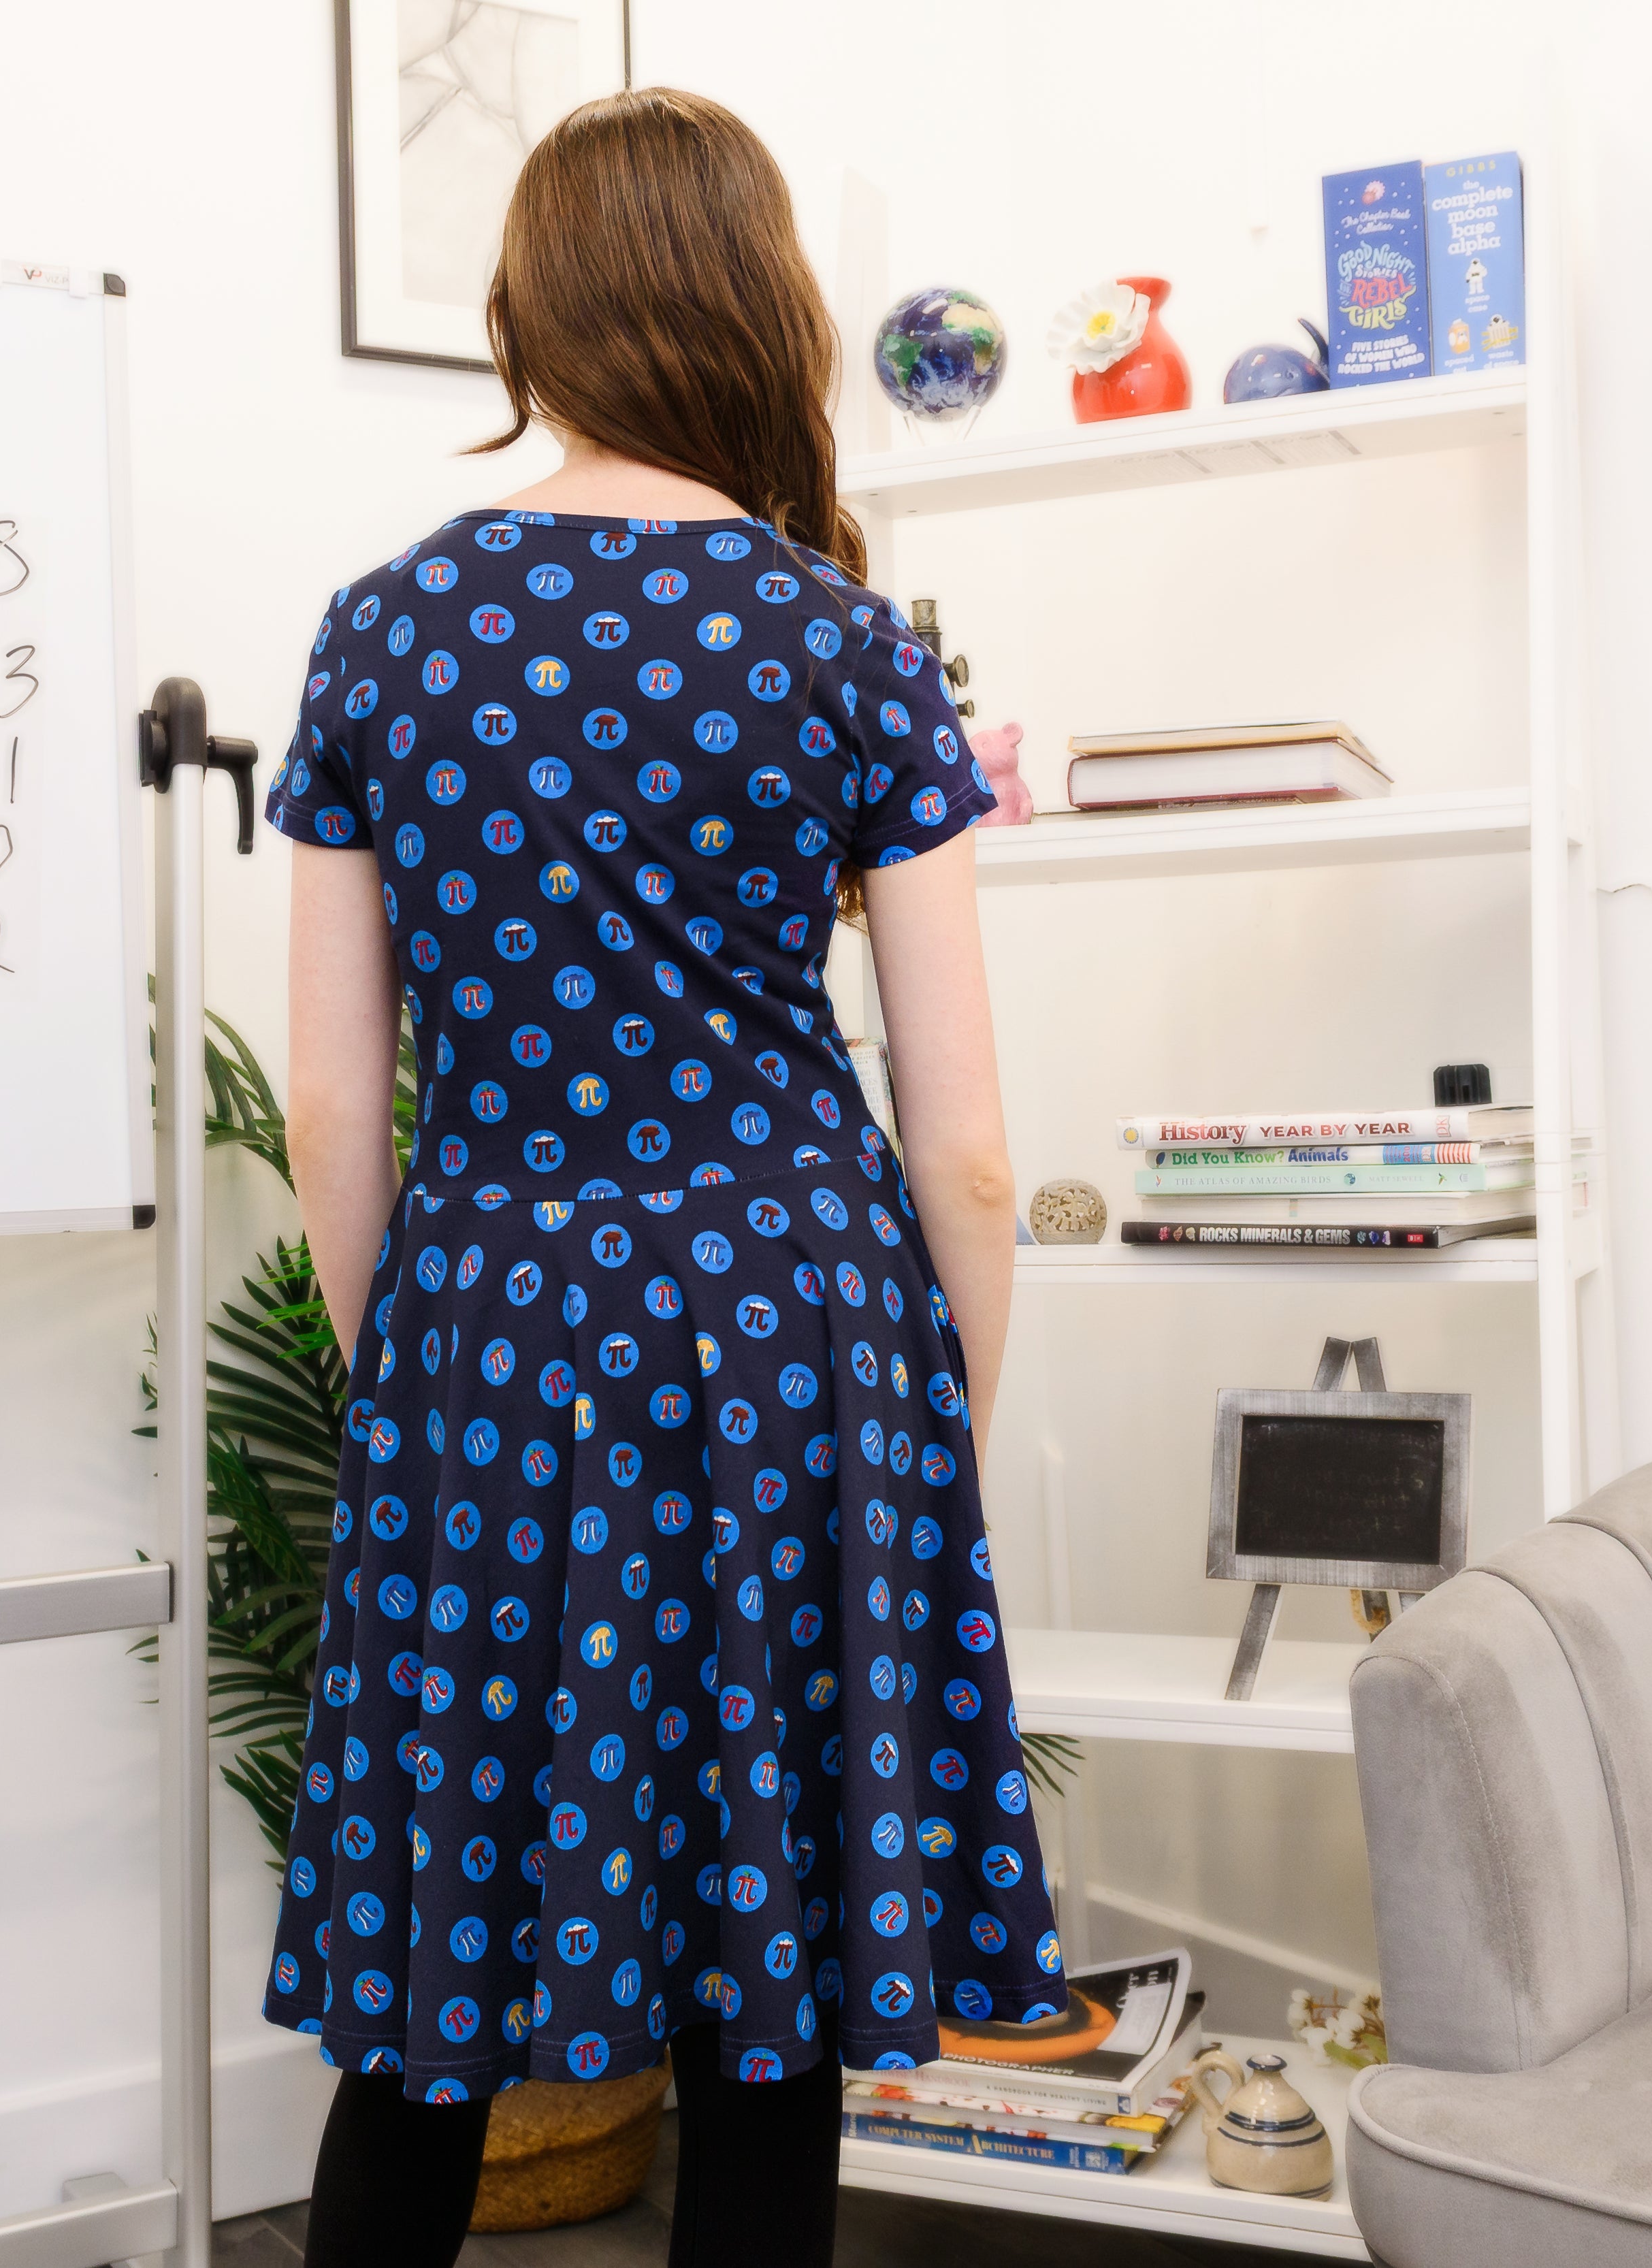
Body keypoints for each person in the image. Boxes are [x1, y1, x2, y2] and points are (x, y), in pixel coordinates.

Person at [268, 86, 1064, 2268]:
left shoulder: (386, 628)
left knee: (427, 2006)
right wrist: (927, 1430)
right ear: (759, 308)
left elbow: (336, 1110)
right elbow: (967, 1145)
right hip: (798, 1334)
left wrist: (414, 1378)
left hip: (494, 1332)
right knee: (769, 1990)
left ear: (528, 322)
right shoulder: (845, 646)